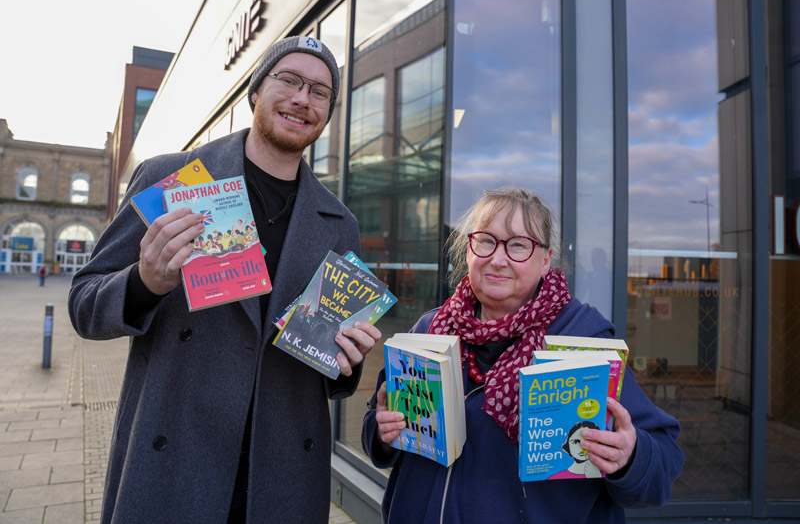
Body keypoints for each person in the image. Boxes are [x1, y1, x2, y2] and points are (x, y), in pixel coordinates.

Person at [69, 36, 381, 524]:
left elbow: (329, 364)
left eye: (320, 92)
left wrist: (346, 359)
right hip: (175, 461)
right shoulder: (172, 179)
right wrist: (144, 282)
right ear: (256, 92)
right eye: (290, 80)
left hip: (282, 475)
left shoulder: (339, 222)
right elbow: (84, 304)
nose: (303, 98)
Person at [362, 187, 683, 523]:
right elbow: (378, 433)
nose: (498, 259)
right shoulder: (430, 329)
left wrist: (630, 457)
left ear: (546, 260)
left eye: (518, 245)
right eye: (486, 241)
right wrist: (382, 432)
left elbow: (663, 462)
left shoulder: (581, 341)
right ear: (468, 251)